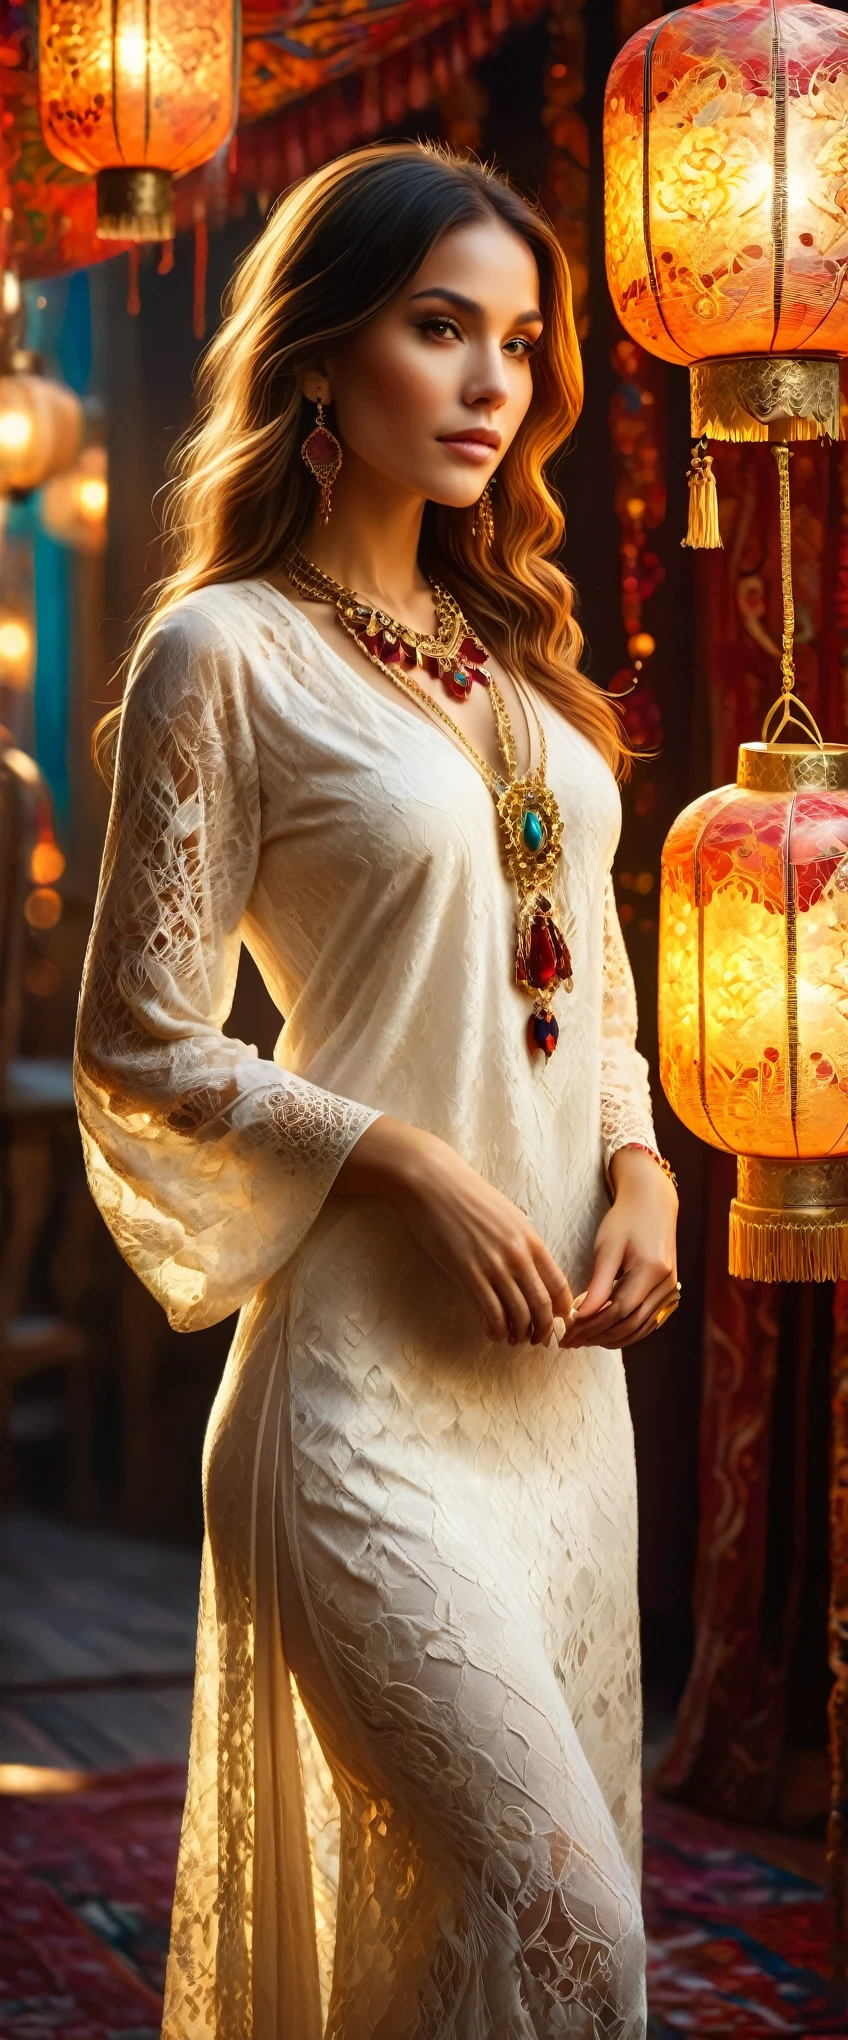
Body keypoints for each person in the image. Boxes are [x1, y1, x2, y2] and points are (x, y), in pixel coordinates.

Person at [74, 141, 679, 2040]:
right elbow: (138, 1043)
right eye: (442, 329)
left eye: (517, 341)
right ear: (325, 362)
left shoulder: (522, 661)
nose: (494, 381)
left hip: (558, 1393)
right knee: (571, 1919)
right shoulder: (221, 651)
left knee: (481, 1952)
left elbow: (598, 979)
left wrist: (645, 1167)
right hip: (358, 1398)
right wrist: (392, 1151)